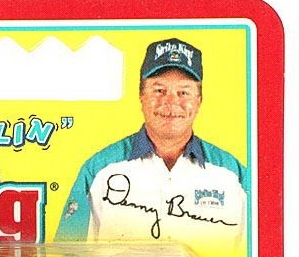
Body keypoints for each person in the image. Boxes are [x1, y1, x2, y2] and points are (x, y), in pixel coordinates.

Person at [55, 38, 248, 243]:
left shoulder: (234, 176)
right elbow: (65, 256)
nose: (171, 102)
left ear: (199, 101)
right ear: (141, 96)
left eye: (183, 92)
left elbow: (258, 256)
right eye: (159, 90)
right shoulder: (98, 171)